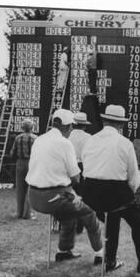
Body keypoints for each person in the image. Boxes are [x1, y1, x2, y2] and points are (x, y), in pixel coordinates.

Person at [26, 109, 103, 263]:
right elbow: (75, 177)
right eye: (71, 127)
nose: (71, 131)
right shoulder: (65, 143)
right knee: (89, 211)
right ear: (67, 127)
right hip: (55, 196)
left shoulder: (39, 139)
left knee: (69, 215)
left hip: (33, 196)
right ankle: (101, 254)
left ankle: (63, 251)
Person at [81, 104, 140, 273]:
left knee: (113, 216)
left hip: (90, 194)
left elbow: (86, 168)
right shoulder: (124, 143)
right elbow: (133, 178)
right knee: (138, 218)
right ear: (121, 124)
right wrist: (129, 194)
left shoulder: (90, 140)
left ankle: (110, 260)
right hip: (115, 192)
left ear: (104, 121)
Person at [68, 112, 92, 233]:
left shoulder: (67, 136)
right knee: (82, 196)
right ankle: (79, 226)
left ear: (73, 124)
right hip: (83, 166)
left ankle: (67, 224)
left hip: (70, 166)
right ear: (85, 125)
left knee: (68, 195)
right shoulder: (89, 137)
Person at [10, 119, 37, 219]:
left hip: (20, 162)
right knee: (30, 188)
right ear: (32, 128)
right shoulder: (35, 138)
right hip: (31, 162)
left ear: (22, 127)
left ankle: (19, 212)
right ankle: (27, 213)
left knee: (20, 188)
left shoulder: (18, 138)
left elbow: (12, 152)